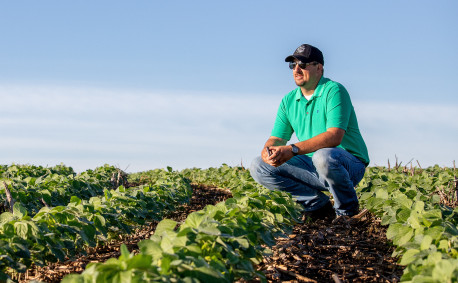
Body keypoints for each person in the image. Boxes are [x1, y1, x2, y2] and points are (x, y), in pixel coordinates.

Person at [250, 44, 369, 220]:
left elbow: (334, 136)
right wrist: (268, 151)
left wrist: (292, 149)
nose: (297, 69)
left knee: (323, 156)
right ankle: (317, 206)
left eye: (303, 64)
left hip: (347, 164)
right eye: (293, 65)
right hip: (311, 164)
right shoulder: (289, 100)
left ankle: (347, 213)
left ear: (319, 67)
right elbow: (276, 138)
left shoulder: (334, 90)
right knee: (259, 165)